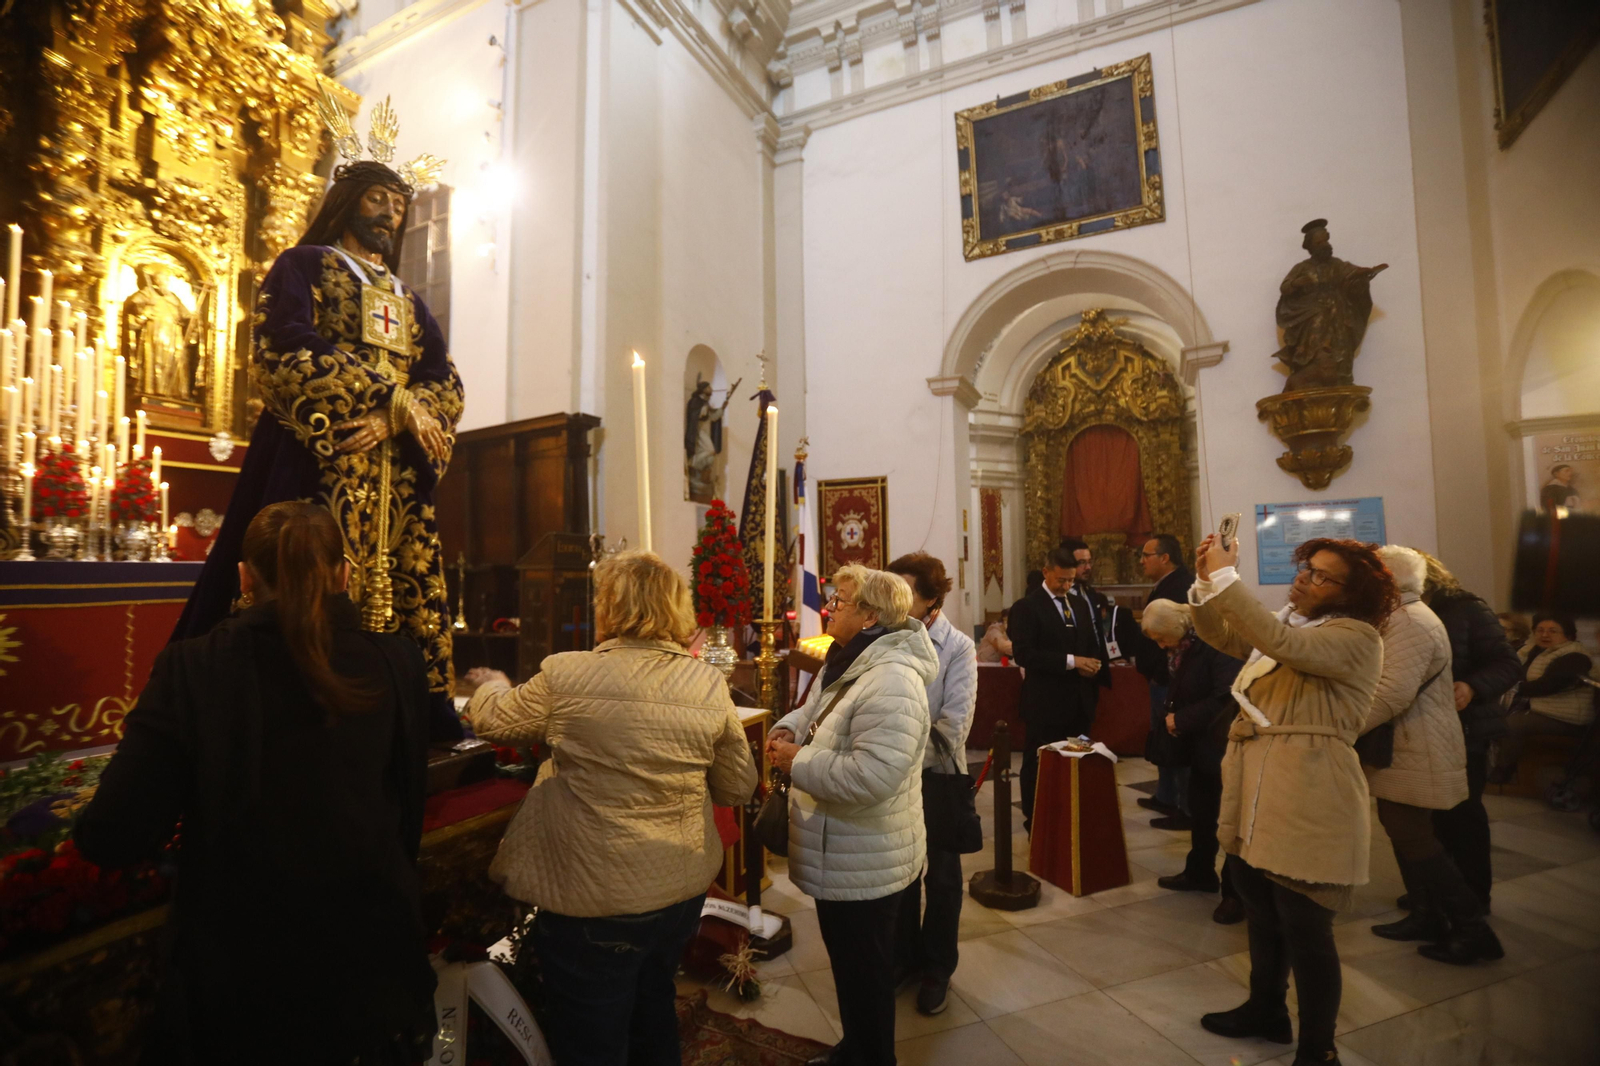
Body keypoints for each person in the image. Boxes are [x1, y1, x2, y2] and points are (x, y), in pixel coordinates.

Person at [76, 502, 437, 1065]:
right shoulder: (397, 660)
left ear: (244, 577)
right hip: (377, 977)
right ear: (345, 575)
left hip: (244, 994)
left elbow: (114, 835)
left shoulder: (194, 667)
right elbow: (408, 808)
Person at [174, 150, 465, 741]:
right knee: (307, 575)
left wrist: (399, 419)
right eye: (377, 198)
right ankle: (302, 711)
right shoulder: (304, 265)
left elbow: (445, 378)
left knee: (404, 583)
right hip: (320, 452)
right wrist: (393, 400)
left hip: (394, 471)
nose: (390, 212)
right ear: (346, 202)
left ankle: (401, 714)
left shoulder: (409, 301)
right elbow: (284, 343)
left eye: (399, 203)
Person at [464, 550, 757, 1066]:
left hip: (592, 898)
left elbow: (492, 721)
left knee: (591, 1036)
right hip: (678, 889)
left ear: (608, 605)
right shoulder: (707, 682)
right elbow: (736, 785)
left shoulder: (567, 674)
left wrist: (490, 683)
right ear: (675, 608)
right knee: (653, 1005)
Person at [1188, 535, 1397, 1066]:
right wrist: (1205, 584)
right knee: (1257, 902)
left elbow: (1286, 646)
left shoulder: (1356, 636)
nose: (1304, 577)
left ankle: (1318, 1047)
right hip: (1261, 777)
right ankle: (1266, 1010)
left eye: (1322, 575)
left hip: (1309, 784)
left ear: (1353, 594)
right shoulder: (1294, 624)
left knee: (1305, 923)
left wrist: (1229, 579)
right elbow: (1224, 634)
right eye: (1307, 568)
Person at [765, 565, 936, 1066]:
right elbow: (814, 710)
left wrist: (797, 761)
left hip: (868, 854)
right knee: (851, 970)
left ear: (870, 615)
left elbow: (872, 777)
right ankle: (856, 1049)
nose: (829, 607)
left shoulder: (893, 679)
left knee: (866, 973)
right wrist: (785, 729)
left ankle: (872, 1057)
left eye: (839, 601)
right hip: (842, 849)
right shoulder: (847, 659)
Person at [1360, 547, 1502, 965]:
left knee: (1417, 835)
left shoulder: (1412, 621)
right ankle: (1427, 916)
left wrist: (1334, 728)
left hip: (1418, 743)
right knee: (1404, 830)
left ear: (1386, 579)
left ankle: (1472, 929)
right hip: (1405, 743)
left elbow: (1391, 694)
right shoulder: (1397, 616)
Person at [886, 552, 978, 1016]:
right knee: (900, 876)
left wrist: (892, 756)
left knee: (941, 880)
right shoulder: (884, 639)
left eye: (906, 594)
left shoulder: (957, 646)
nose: (896, 602)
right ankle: (903, 959)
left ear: (931, 599)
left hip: (937, 779)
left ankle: (938, 967)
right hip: (891, 784)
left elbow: (953, 726)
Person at [1412, 551, 1520, 911]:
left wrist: (1472, 686)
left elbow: (1507, 664)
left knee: (1462, 817)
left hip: (1467, 727)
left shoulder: (1466, 608)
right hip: (1420, 727)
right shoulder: (1400, 611)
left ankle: (1473, 897)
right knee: (1426, 820)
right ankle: (1436, 892)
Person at [1142, 598, 1246, 925]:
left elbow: (1226, 697)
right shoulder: (1185, 644)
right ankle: (1199, 872)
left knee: (1229, 819)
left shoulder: (1218, 644)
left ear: (1176, 629)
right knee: (1202, 813)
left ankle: (1235, 893)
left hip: (1223, 743)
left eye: (1162, 639)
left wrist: (1182, 719)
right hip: (1201, 745)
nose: (1160, 646)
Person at [1008, 544, 1108, 833]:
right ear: (1046, 572)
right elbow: (1025, 654)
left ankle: (1072, 816)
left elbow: (1090, 642)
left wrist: (1092, 664)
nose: (1066, 586)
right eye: (1061, 580)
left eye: (1071, 581)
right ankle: (1036, 820)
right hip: (1045, 703)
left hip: (1079, 700)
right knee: (1039, 765)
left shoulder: (1077, 604)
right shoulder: (1027, 607)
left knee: (1077, 762)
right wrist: (1072, 661)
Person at [1126, 533, 1197, 828]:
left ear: (1164, 558)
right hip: (1161, 675)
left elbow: (1179, 636)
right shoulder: (1167, 583)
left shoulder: (1180, 585)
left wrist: (1159, 669)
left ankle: (1185, 807)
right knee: (1162, 739)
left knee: (1176, 740)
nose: (1142, 561)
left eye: (1147, 555)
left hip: (1171, 677)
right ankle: (1166, 796)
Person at [1489, 616, 1595, 783]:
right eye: (1540, 630)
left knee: (1512, 724)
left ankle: (1503, 770)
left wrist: (1511, 687)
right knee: (1486, 713)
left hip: (1566, 717)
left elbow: (1547, 686)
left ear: (1568, 635)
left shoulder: (1574, 656)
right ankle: (1483, 765)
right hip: (1540, 708)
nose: (1545, 635)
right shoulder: (1532, 651)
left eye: (1552, 631)